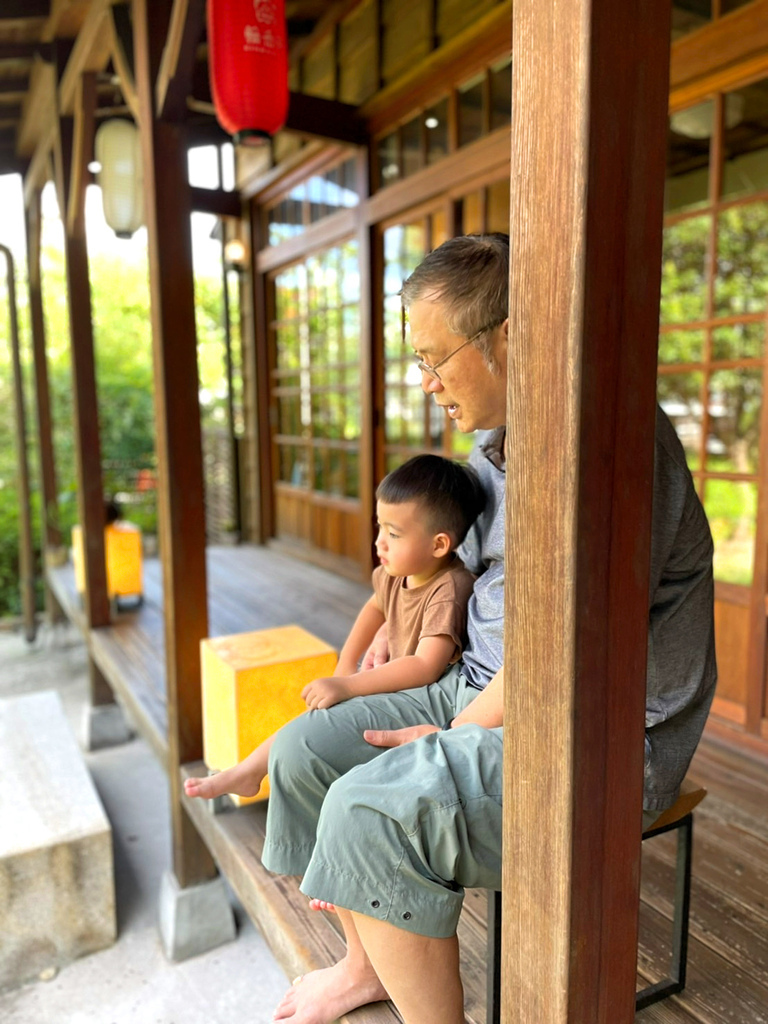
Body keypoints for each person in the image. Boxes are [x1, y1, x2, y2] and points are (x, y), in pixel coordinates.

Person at [264, 232, 716, 1024]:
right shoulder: (499, 441)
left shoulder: (610, 449)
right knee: (307, 749)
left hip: (597, 737)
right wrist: (398, 626)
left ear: (505, 338)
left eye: (434, 359)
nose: (426, 381)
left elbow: (562, 655)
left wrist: (451, 735)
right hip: (481, 685)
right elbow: (451, 562)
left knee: (371, 809)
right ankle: (367, 968)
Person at [183, 452, 485, 802]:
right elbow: (374, 608)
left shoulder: (449, 589)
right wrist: (345, 664)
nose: (379, 542)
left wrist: (348, 684)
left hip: (423, 698)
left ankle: (250, 772)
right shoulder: (395, 574)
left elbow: (424, 665)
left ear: (439, 544)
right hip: (395, 682)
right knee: (317, 715)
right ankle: (249, 771)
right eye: (379, 526)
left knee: (325, 719)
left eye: (393, 533)